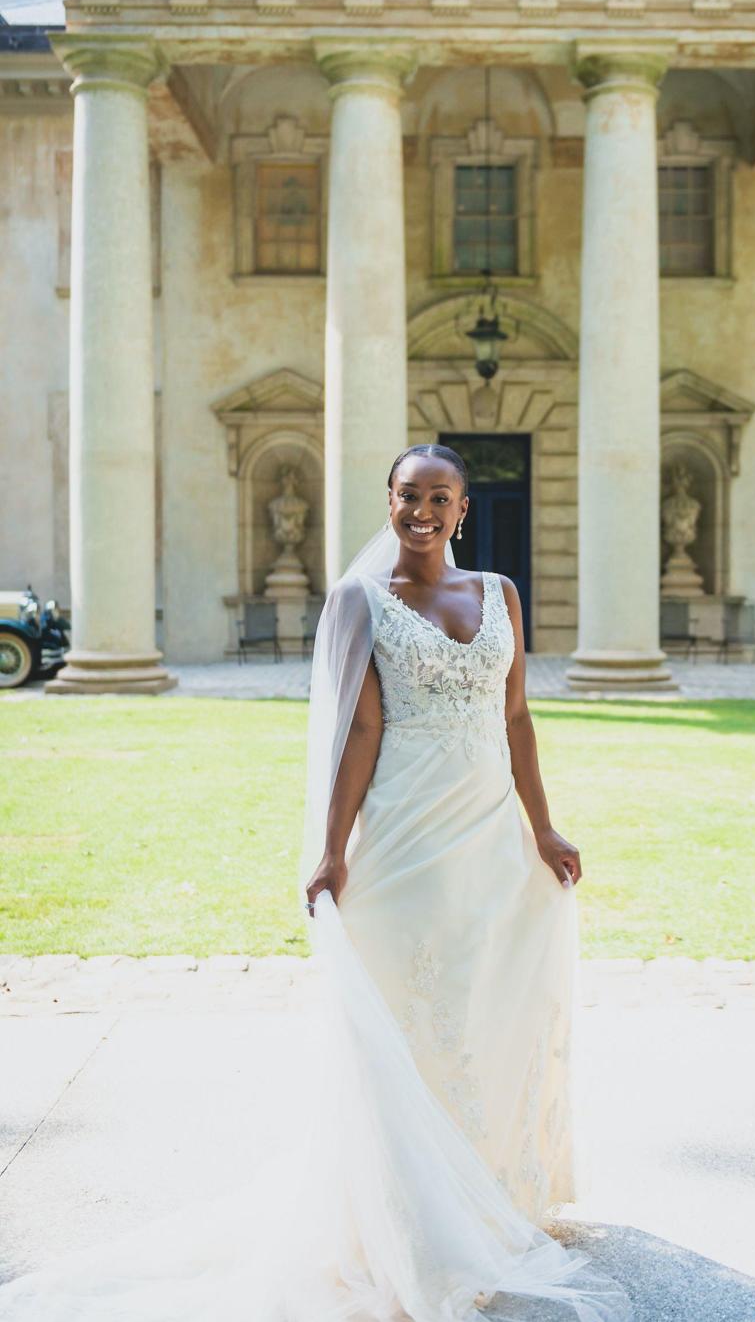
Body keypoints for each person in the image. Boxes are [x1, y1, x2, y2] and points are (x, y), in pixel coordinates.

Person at [0, 444, 630, 1322]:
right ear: (389, 502)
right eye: (408, 495)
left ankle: (488, 1193)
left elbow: (516, 715)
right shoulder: (358, 600)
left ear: (462, 510)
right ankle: (408, 1220)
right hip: (408, 836)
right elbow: (357, 731)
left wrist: (543, 825)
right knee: (411, 1018)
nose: (421, 510)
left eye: (438, 497)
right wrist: (332, 850)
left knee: (487, 1006)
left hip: (489, 837)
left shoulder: (500, 595)